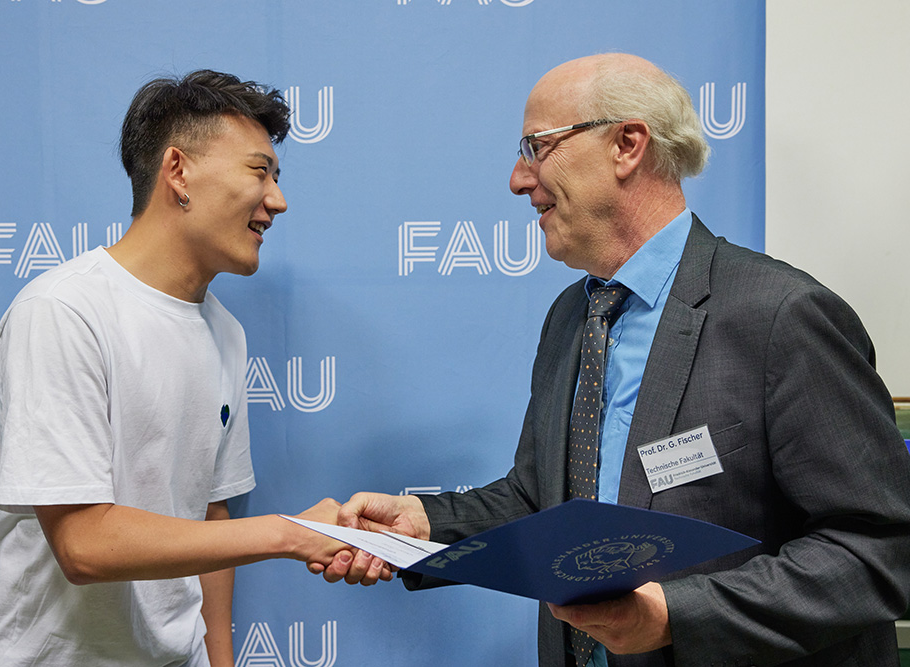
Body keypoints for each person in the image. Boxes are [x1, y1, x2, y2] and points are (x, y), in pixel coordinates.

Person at [324, 54, 910, 666]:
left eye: (536, 148)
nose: (518, 180)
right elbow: (541, 503)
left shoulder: (781, 315)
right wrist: (423, 525)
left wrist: (677, 616)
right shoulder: (573, 315)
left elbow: (877, 550)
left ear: (627, 145)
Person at [0, 70, 379, 667]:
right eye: (259, 171)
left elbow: (211, 516)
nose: (277, 200)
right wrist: (291, 533)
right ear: (178, 171)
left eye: (277, 177)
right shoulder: (62, 312)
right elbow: (83, 545)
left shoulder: (226, 332)